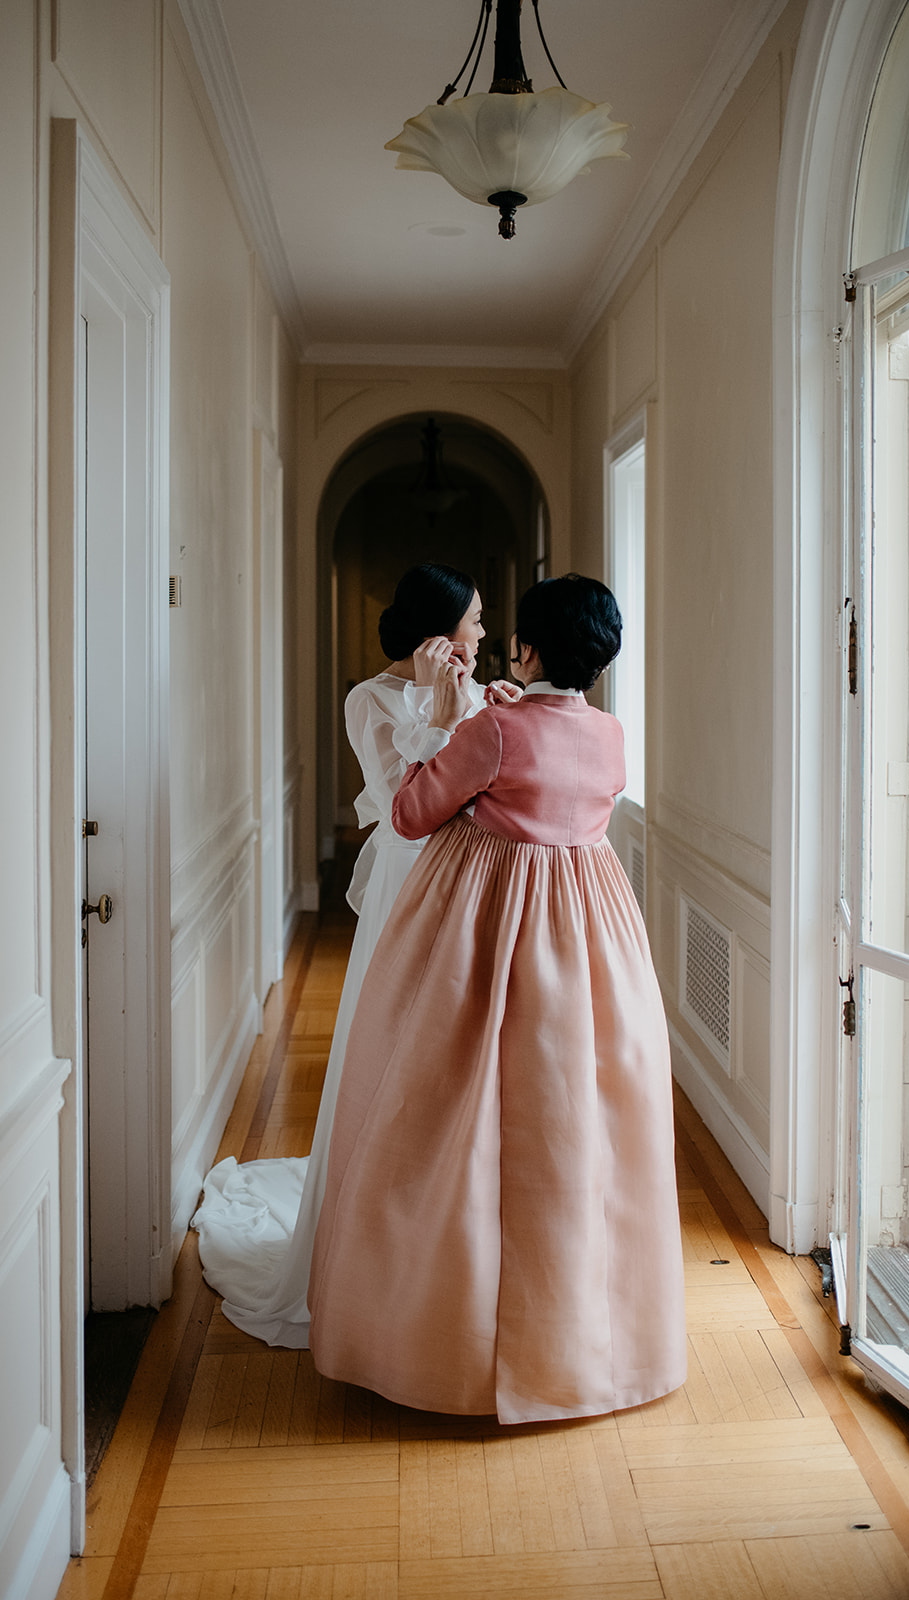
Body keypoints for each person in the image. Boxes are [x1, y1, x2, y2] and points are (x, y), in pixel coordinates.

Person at [308, 574, 687, 1425]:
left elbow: (409, 813)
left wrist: (454, 741)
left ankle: (440, 1332)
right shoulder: (612, 733)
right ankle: (583, 1341)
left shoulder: (493, 727)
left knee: (452, 1115)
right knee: (575, 1128)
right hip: (591, 934)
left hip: (486, 925)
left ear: (532, 647)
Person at [193, 563, 518, 1347]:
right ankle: (372, 1240)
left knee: (461, 1054)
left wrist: (495, 707)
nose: (483, 634)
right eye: (473, 621)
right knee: (399, 1044)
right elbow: (405, 800)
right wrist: (445, 710)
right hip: (410, 881)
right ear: (438, 632)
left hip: (476, 881)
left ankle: (450, 1231)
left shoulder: (478, 690)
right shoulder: (368, 699)